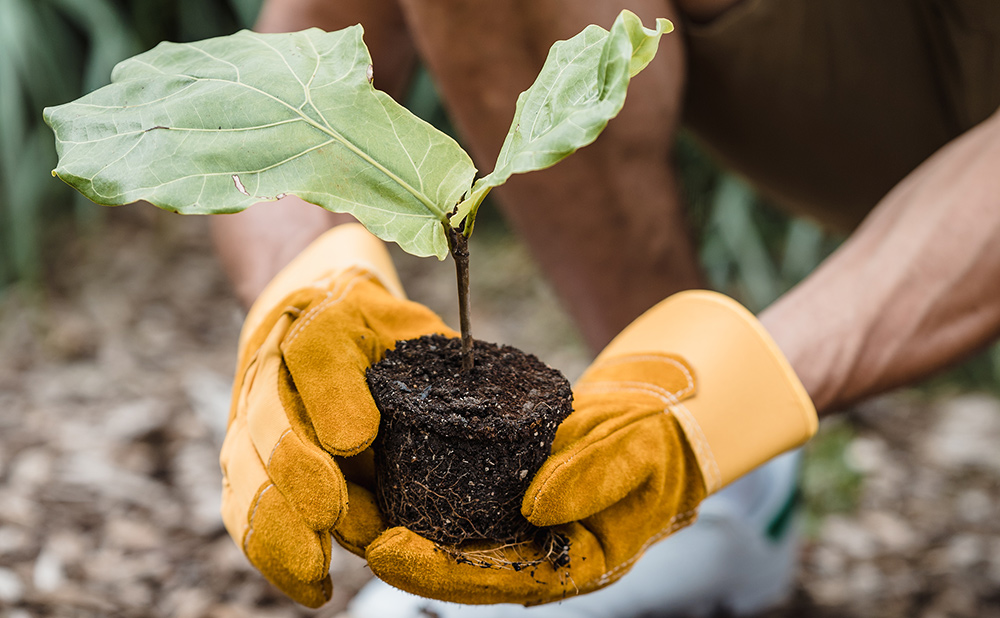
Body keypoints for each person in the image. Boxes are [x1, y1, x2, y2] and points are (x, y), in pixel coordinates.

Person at [212, 0, 1000, 615]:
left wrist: (721, 394)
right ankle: (713, 508)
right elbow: (285, 78)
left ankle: (702, 475)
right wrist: (303, 284)